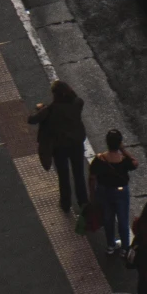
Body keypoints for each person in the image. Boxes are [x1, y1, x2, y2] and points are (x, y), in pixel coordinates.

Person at [28, 80, 87, 219]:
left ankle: (66, 203)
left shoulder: (50, 110)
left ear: (55, 94)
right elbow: (77, 98)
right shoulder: (77, 104)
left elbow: (32, 119)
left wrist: (40, 108)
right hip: (76, 145)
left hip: (60, 147)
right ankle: (83, 202)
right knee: (79, 174)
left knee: (64, 175)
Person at [88, 130, 137, 256]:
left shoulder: (100, 159)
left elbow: (92, 178)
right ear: (119, 143)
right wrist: (123, 150)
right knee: (123, 219)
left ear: (107, 142)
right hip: (121, 192)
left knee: (108, 218)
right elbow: (135, 163)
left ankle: (110, 245)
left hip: (104, 191)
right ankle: (125, 248)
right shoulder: (123, 160)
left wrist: (92, 196)